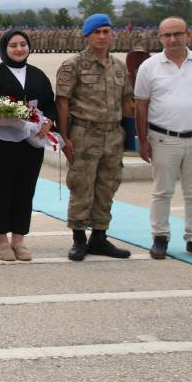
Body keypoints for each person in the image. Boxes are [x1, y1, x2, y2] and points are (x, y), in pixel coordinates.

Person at [135, 16, 192, 261]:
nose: (173, 39)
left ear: (189, 35)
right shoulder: (149, 67)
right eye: (167, 35)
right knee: (162, 191)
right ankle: (160, 237)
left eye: (178, 34)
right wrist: (142, 140)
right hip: (164, 139)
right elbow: (141, 106)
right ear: (160, 37)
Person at [56, 14, 135, 262]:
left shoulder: (119, 67)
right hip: (84, 133)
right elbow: (62, 102)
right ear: (87, 36)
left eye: (106, 31)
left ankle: (99, 237)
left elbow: (127, 102)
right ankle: (79, 239)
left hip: (112, 134)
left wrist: (129, 137)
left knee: (107, 186)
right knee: (81, 186)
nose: (102, 36)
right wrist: (65, 138)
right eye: (97, 32)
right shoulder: (73, 65)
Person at [0, 30, 56, 262]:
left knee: (25, 191)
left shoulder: (38, 75)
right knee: (1, 191)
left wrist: (49, 122)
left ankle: (19, 239)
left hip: (30, 146)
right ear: (4, 48)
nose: (19, 49)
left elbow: (49, 104)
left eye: (23, 44)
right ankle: (1, 241)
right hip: (0, 145)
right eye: (13, 45)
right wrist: (1, 116)